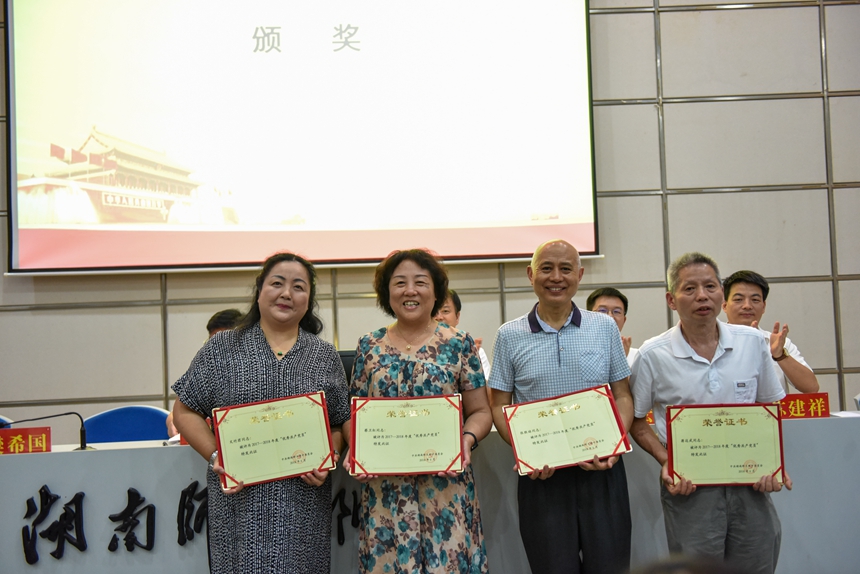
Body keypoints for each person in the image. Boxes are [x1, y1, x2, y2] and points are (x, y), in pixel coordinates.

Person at [172, 252, 350, 574]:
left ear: (309, 300)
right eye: (277, 283)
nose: (286, 293)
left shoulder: (324, 355)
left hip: (304, 504)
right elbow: (184, 410)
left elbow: (338, 422)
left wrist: (329, 457)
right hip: (239, 506)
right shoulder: (222, 348)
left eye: (298, 287)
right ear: (259, 291)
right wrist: (216, 456)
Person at [630, 253, 790, 574]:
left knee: (757, 563)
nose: (702, 296)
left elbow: (770, 408)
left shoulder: (752, 343)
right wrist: (666, 461)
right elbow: (636, 421)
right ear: (671, 300)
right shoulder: (653, 354)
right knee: (696, 568)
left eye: (710, 286)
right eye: (689, 289)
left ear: (721, 294)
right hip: (690, 487)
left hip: (750, 481)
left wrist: (771, 463)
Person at [488, 239, 634, 574]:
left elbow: (623, 395)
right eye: (547, 268)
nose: (556, 277)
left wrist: (614, 446)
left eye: (566, 269)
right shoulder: (509, 335)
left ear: (579, 275)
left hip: (602, 469)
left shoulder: (604, 327)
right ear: (531, 275)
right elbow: (499, 405)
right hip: (542, 477)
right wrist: (526, 451)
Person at [348, 248, 492, 574]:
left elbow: (481, 411)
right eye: (400, 283)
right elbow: (355, 414)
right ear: (387, 293)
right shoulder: (368, 346)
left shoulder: (459, 343)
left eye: (421, 282)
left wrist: (466, 440)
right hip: (386, 492)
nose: (410, 290)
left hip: (446, 489)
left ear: (436, 291)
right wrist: (356, 448)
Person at [722, 270, 819, 393]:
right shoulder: (710, 342)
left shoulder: (778, 343)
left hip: (773, 406)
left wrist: (780, 355)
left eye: (755, 300)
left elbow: (811, 388)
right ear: (724, 306)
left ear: (763, 307)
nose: (747, 306)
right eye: (738, 299)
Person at [166, 308, 245, 436]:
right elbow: (183, 408)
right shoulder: (208, 368)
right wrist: (173, 420)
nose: (217, 349)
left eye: (222, 342)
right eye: (211, 342)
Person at [434, 289, 492, 376]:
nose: (439, 317)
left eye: (445, 311)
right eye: (433, 311)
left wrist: (470, 361)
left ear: (457, 317)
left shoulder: (471, 349)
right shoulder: (418, 349)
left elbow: (485, 384)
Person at [586, 286, 638, 367]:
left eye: (616, 311)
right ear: (588, 317)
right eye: (602, 310)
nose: (610, 316)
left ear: (624, 320)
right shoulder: (576, 353)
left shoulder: (636, 357)